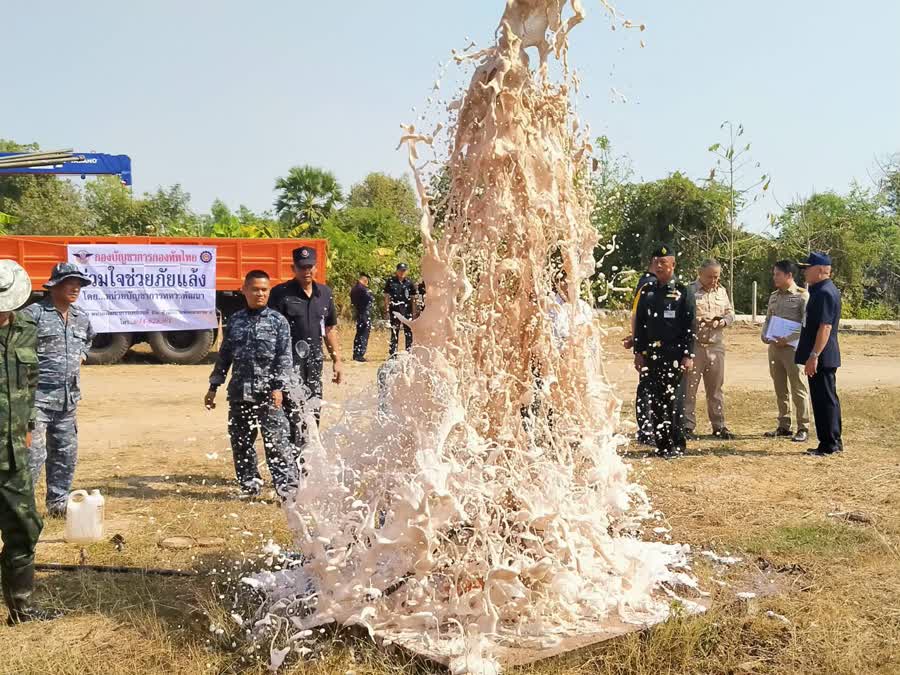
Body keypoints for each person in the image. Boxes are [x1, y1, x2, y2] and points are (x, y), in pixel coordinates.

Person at [0, 260, 61, 624]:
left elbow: (30, 379)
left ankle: (20, 609)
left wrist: (27, 424)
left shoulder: (25, 328)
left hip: (12, 453)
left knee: (25, 526)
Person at [206, 270, 297, 498]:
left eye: (264, 289)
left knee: (277, 442)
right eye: (255, 289)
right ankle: (249, 485)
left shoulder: (278, 322)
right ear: (244, 290)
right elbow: (225, 356)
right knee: (241, 441)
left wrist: (278, 388)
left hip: (268, 394)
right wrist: (213, 386)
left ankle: (287, 490)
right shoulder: (235, 321)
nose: (260, 294)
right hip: (240, 393)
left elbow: (284, 358)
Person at [24, 263, 95, 517]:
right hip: (37, 401)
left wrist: (82, 356)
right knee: (33, 457)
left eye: (78, 283)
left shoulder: (80, 317)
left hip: (68, 402)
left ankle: (58, 505)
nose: (75, 287)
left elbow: (88, 339)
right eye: (69, 282)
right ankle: (23, 509)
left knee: (65, 455)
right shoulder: (33, 315)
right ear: (54, 286)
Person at [269, 246, 342, 452]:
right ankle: (293, 457)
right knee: (292, 409)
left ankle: (309, 454)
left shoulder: (325, 293)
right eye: (302, 267)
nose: (306, 271)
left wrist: (337, 359)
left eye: (310, 266)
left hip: (314, 362)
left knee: (314, 407)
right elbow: (273, 332)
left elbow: (329, 328)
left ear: (315, 267)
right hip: (289, 362)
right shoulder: (280, 294)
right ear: (294, 268)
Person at [633, 245, 696, 458]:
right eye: (656, 262)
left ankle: (676, 444)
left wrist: (688, 355)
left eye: (664, 262)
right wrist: (639, 352)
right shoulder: (648, 291)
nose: (659, 266)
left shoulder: (682, 290)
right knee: (656, 401)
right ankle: (661, 444)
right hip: (652, 355)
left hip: (675, 354)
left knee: (675, 400)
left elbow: (690, 325)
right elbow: (640, 324)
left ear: (673, 264)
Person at [795, 252, 843, 456]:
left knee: (824, 400)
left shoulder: (824, 293)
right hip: (820, 355)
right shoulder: (819, 290)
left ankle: (829, 444)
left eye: (808, 267)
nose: (805, 271)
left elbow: (825, 327)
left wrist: (814, 355)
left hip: (821, 356)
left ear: (822, 270)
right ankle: (833, 441)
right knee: (826, 398)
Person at [683, 259, 735, 440]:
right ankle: (687, 426)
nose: (714, 280)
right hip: (696, 346)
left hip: (716, 346)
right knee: (689, 388)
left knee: (715, 389)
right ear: (700, 273)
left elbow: (730, 313)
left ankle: (719, 425)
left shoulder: (721, 291)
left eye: (717, 276)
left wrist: (722, 321)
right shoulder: (689, 290)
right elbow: (682, 316)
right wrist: (698, 321)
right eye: (710, 276)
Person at [761, 260, 810, 442]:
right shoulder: (774, 296)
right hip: (774, 348)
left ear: (789, 275)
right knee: (779, 387)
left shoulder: (802, 296)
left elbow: (806, 326)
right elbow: (768, 319)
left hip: (793, 349)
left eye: (777, 274)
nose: (774, 277)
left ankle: (803, 426)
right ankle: (784, 425)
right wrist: (765, 336)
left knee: (798, 387)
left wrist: (788, 339)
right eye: (774, 274)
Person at [623, 259, 659, 445]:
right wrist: (637, 346)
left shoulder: (661, 283)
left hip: (662, 347)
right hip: (648, 348)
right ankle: (646, 430)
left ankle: (656, 428)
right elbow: (636, 317)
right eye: (659, 263)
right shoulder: (646, 284)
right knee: (647, 389)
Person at [383, 263, 418, 357]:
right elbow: (386, 296)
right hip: (395, 309)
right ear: (397, 271)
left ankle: (409, 351)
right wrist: (386, 309)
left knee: (408, 332)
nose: (402, 272)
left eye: (404, 270)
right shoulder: (391, 281)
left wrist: (414, 312)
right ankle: (393, 353)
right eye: (400, 270)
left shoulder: (410, 282)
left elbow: (413, 298)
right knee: (394, 331)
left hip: (407, 310)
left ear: (406, 271)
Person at [350, 273, 373, 363]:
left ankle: (356, 353)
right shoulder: (363, 289)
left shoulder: (354, 289)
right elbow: (370, 299)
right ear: (365, 280)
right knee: (363, 334)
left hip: (359, 313)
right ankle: (360, 354)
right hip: (364, 314)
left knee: (359, 334)